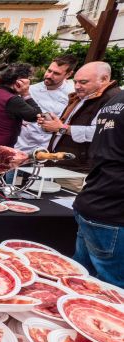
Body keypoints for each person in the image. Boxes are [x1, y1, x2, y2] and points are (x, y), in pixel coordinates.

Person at [71, 90, 124, 287]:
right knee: (111, 290)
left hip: (97, 200)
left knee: (79, 281)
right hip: (113, 210)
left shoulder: (116, 100)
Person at [39, 61, 120, 177]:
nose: (77, 86)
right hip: (61, 165)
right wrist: (51, 124)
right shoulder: (85, 95)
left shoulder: (112, 99)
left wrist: (61, 128)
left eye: (83, 82)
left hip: (77, 171)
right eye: (75, 82)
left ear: (104, 79)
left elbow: (99, 132)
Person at [15, 55, 76, 154]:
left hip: (47, 149)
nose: (49, 75)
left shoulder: (72, 94)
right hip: (21, 145)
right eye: (49, 70)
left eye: (56, 73)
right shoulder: (30, 89)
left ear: (68, 74)